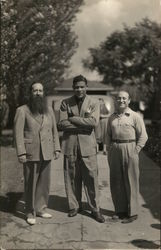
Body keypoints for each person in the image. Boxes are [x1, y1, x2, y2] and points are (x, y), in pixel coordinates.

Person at [58, 75, 105, 223]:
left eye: (82, 86)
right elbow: (61, 124)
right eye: (76, 87)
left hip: (88, 147)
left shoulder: (94, 102)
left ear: (86, 87)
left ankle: (95, 209)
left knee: (91, 178)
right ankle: (74, 206)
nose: (79, 89)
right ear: (73, 88)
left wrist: (72, 119)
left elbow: (93, 122)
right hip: (70, 145)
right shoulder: (65, 103)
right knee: (71, 177)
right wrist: (82, 125)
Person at [14, 82, 60, 225]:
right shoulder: (22, 110)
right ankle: (30, 211)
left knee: (44, 183)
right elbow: (18, 133)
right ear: (31, 93)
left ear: (43, 92)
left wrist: (56, 148)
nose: (38, 93)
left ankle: (41, 208)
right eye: (35, 90)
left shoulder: (49, 110)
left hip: (46, 151)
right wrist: (21, 152)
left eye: (40, 90)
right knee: (31, 183)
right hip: (30, 152)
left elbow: (54, 131)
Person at [106, 90, 148, 223]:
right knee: (116, 180)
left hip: (130, 148)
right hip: (115, 149)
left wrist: (136, 150)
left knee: (131, 180)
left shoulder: (134, 116)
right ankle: (120, 211)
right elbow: (107, 135)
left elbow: (143, 136)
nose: (121, 100)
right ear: (115, 100)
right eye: (119, 98)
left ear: (129, 100)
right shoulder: (111, 117)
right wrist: (109, 149)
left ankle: (133, 212)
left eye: (124, 98)